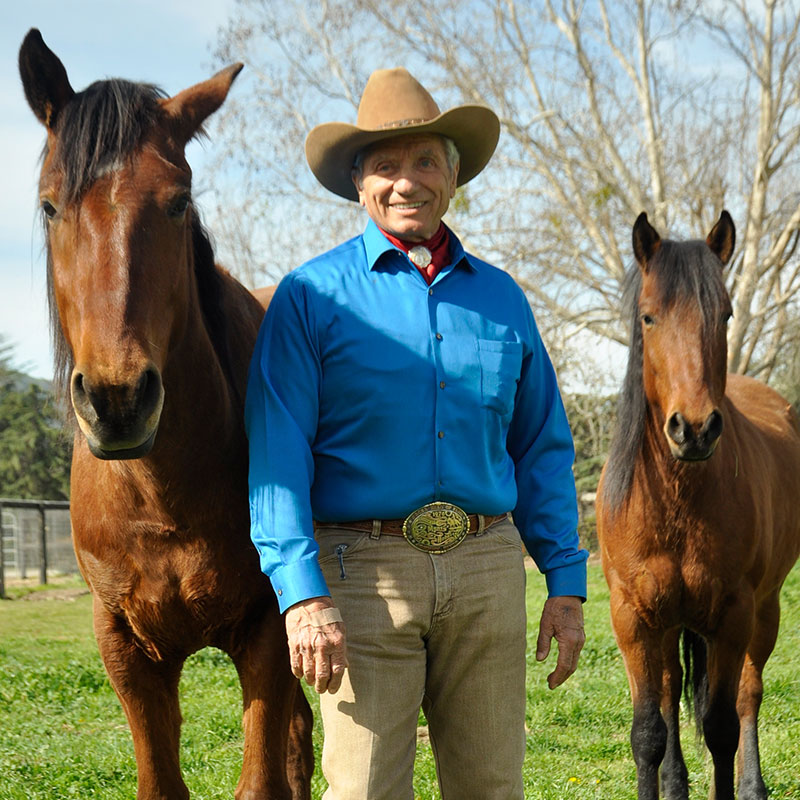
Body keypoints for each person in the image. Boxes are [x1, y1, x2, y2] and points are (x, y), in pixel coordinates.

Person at [245, 67, 588, 800]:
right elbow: (277, 455)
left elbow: (542, 447)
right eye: (385, 166)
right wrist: (302, 594)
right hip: (361, 574)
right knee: (365, 789)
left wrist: (565, 583)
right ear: (359, 184)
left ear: (453, 175)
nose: (407, 182)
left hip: (488, 568)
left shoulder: (503, 300)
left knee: (493, 788)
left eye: (425, 161)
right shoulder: (309, 298)